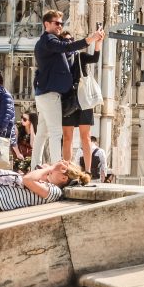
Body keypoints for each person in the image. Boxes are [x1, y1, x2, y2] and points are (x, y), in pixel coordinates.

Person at [32, 10, 104, 169]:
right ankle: (59, 170)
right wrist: (90, 38)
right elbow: (68, 46)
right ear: (47, 24)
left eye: (61, 23)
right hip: (51, 95)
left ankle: (34, 166)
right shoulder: (49, 40)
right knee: (56, 133)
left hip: (45, 94)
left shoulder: (47, 43)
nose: (60, 26)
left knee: (42, 134)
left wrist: (96, 40)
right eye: (56, 23)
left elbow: (69, 50)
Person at [60, 29, 102, 173]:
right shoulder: (58, 59)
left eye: (71, 40)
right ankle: (67, 169)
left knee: (86, 137)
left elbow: (95, 59)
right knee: (67, 137)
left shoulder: (80, 56)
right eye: (66, 41)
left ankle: (88, 171)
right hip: (67, 101)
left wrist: (98, 43)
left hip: (83, 99)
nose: (69, 43)